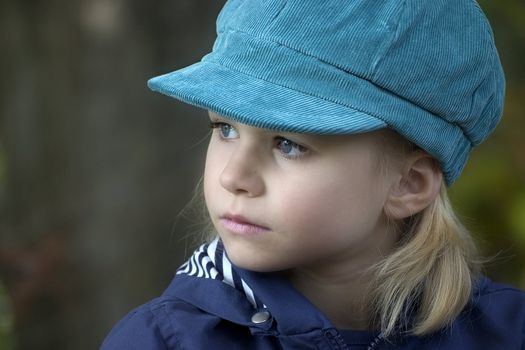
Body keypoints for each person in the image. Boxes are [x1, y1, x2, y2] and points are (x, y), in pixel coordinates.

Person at [101, 0, 525, 349]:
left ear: (408, 184)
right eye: (224, 128)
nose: (234, 176)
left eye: (288, 144)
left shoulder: (508, 332)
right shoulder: (163, 341)